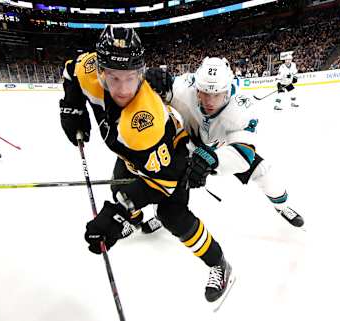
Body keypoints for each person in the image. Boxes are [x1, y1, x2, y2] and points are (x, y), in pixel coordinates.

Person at [58, 25, 234, 305]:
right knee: (120, 183)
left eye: (131, 78)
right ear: (100, 70)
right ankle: (141, 222)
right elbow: (72, 71)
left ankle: (218, 263)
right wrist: (72, 107)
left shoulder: (144, 122)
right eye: (114, 78)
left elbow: (159, 185)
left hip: (172, 165)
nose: (124, 89)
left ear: (140, 72)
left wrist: (119, 214)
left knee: (172, 215)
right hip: (133, 157)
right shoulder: (89, 68)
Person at [145, 58, 304, 228]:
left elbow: (244, 155)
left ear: (227, 91)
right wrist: (154, 82)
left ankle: (282, 206)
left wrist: (212, 160)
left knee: (264, 174)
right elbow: (164, 89)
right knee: (168, 175)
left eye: (217, 94)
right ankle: (162, 215)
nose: (210, 101)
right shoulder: (185, 88)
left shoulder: (241, 110)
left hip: (225, 150)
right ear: (197, 89)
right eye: (205, 93)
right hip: (190, 144)